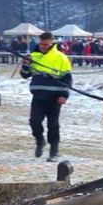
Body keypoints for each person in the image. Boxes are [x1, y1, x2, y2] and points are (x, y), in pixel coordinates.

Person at [20, 31, 71, 161]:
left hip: (55, 97)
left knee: (53, 125)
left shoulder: (61, 57)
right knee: (34, 122)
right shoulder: (33, 56)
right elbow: (25, 75)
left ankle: (54, 151)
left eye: (46, 44)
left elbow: (67, 78)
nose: (43, 46)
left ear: (52, 43)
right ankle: (39, 140)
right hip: (38, 96)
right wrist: (25, 65)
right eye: (41, 44)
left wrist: (64, 94)